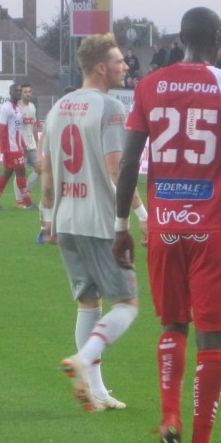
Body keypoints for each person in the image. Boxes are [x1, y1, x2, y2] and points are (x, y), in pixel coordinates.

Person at [113, 7, 221, 443]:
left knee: (173, 323)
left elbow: (128, 164)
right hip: (212, 228)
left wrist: (122, 225)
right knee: (211, 336)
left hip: (164, 227)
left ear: (178, 39)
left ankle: (169, 417)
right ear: (218, 41)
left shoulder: (149, 86)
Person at [40, 33, 146, 413]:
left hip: (66, 219)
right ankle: (83, 360)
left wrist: (47, 218)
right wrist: (142, 215)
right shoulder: (110, 107)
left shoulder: (57, 108)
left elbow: (46, 173)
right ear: (101, 67)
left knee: (88, 303)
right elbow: (117, 169)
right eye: (118, 61)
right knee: (128, 303)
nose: (124, 66)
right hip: (99, 221)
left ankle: (96, 391)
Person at [0, 83, 36, 210]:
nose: (19, 93)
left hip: (16, 146)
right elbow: (1, 128)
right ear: (10, 93)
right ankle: (28, 203)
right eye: (16, 91)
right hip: (11, 148)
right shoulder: (6, 108)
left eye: (20, 91)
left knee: (7, 174)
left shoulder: (17, 108)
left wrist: (23, 145)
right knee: (21, 172)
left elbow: (17, 129)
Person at [13, 84, 40, 205]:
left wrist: (37, 142)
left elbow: (34, 126)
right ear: (21, 93)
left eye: (29, 92)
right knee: (20, 172)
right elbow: (14, 128)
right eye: (25, 92)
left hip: (32, 144)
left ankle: (25, 192)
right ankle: (19, 200)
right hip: (20, 146)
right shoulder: (17, 107)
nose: (28, 94)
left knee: (40, 168)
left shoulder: (32, 107)